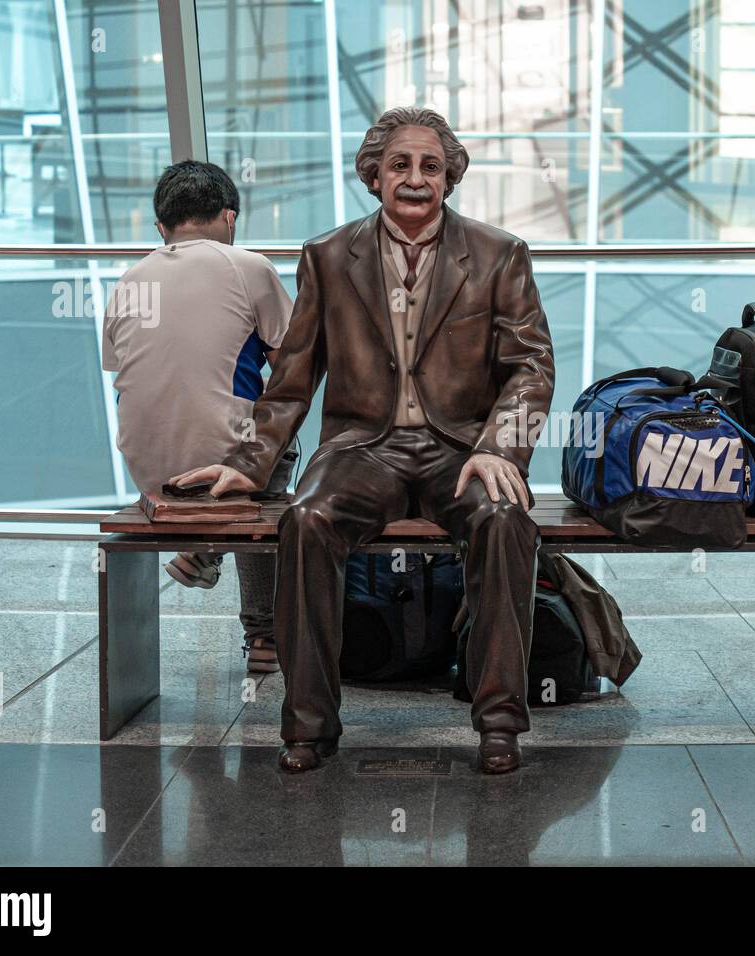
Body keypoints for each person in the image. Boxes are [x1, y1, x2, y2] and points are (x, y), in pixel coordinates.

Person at [172, 108, 555, 775]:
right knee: (308, 520)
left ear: (449, 179)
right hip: (361, 449)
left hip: (463, 448)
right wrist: (249, 466)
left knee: (502, 520)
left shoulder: (500, 255)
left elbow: (532, 366)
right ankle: (309, 726)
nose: (415, 178)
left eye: (431, 166)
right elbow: (291, 379)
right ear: (374, 175)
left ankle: (499, 725)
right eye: (401, 165)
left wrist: (501, 448)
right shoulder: (327, 257)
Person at [101, 160, 298, 674]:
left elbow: (128, 372)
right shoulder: (249, 266)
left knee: (240, 431)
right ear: (231, 219)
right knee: (276, 448)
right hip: (221, 464)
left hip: (146, 465)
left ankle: (207, 550)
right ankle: (263, 635)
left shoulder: (129, 278)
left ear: (161, 228)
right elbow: (293, 369)